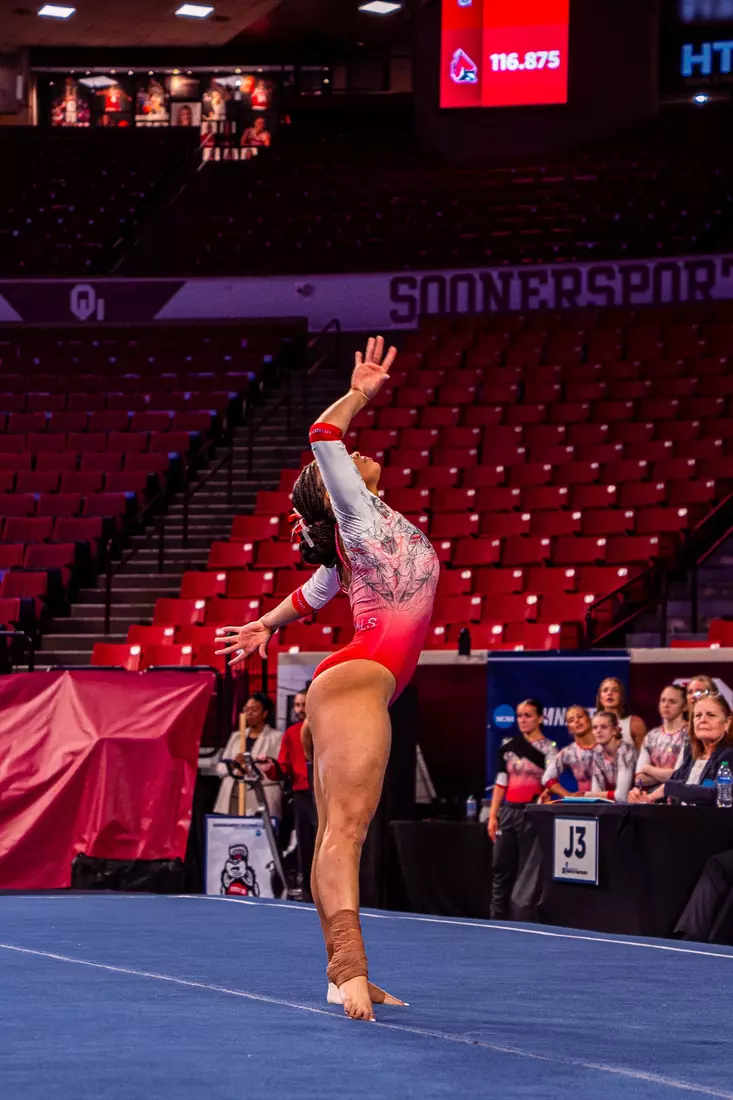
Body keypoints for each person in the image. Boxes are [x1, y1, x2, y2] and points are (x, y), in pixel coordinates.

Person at [216, 336, 439, 1022]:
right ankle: (348, 971)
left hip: (362, 676)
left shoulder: (355, 537)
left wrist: (265, 624)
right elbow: (324, 434)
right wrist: (361, 392)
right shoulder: (354, 513)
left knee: (339, 831)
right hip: (357, 678)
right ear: (333, 491)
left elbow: (314, 592)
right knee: (344, 828)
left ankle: (345, 970)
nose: (365, 454)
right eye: (351, 461)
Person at [487, 699, 557, 920]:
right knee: (500, 867)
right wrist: (492, 816)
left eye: (528, 715)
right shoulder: (508, 745)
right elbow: (501, 782)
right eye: (519, 716)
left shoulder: (550, 748)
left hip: (531, 814)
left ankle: (523, 920)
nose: (523, 720)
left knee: (528, 872)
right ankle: (496, 919)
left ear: (540, 718)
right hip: (508, 812)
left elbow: (550, 783)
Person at [631, 689, 733, 806]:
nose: (703, 720)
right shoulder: (691, 752)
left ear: (727, 723)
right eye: (698, 715)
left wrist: (670, 789)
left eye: (711, 715)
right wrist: (644, 797)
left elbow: (718, 794)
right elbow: (672, 784)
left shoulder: (729, 754)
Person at [213, 693, 283, 821]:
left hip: (260, 796)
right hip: (233, 795)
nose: (249, 713)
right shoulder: (236, 736)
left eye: (254, 710)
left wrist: (249, 766)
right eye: (246, 709)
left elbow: (278, 770)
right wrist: (234, 765)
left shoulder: (277, 737)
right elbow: (220, 768)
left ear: (265, 714)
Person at [278, 689, 317, 900]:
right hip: (302, 795)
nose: (301, 710)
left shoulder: (328, 728)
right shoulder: (291, 733)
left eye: (304, 704)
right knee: (305, 844)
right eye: (297, 705)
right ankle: (309, 893)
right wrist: (269, 767)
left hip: (324, 795)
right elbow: (282, 766)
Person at [633, 684, 688, 790]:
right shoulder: (651, 736)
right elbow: (639, 779)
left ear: (685, 706)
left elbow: (680, 776)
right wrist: (668, 775)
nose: (666, 705)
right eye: (663, 700)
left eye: (672, 701)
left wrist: (648, 769)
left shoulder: (690, 734)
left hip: (679, 797)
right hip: (652, 799)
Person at [540, 705, 595, 801]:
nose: (577, 721)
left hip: (611, 806)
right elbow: (547, 778)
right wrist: (568, 795)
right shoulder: (568, 752)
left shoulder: (606, 745)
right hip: (586, 806)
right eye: (571, 720)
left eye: (580, 716)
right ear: (569, 729)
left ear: (589, 720)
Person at [589, 711, 636, 802]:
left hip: (639, 804)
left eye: (604, 727)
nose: (598, 731)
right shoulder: (597, 754)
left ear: (615, 730)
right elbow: (596, 794)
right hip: (615, 807)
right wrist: (592, 795)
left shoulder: (626, 751)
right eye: (595, 728)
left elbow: (622, 796)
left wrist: (587, 795)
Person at [596, 676, 646, 750]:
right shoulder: (592, 726)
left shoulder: (635, 723)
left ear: (621, 697)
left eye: (615, 690)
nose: (609, 693)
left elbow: (644, 756)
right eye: (605, 690)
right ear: (600, 698)